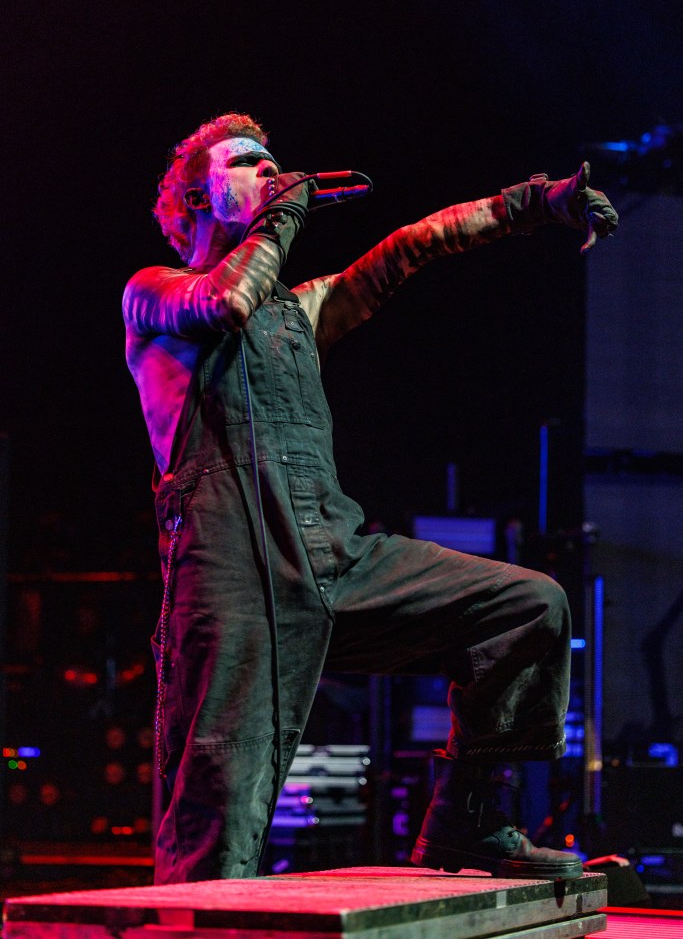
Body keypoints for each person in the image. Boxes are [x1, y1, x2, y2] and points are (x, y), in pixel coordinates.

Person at [123, 112, 618, 885]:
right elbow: (222, 305)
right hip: (233, 580)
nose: (269, 170)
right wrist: (278, 219)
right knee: (218, 830)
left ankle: (467, 819)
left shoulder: (298, 311)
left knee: (527, 607)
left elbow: (411, 246)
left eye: (272, 161)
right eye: (246, 163)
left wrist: (532, 203)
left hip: (335, 558)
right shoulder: (153, 292)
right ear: (194, 198)